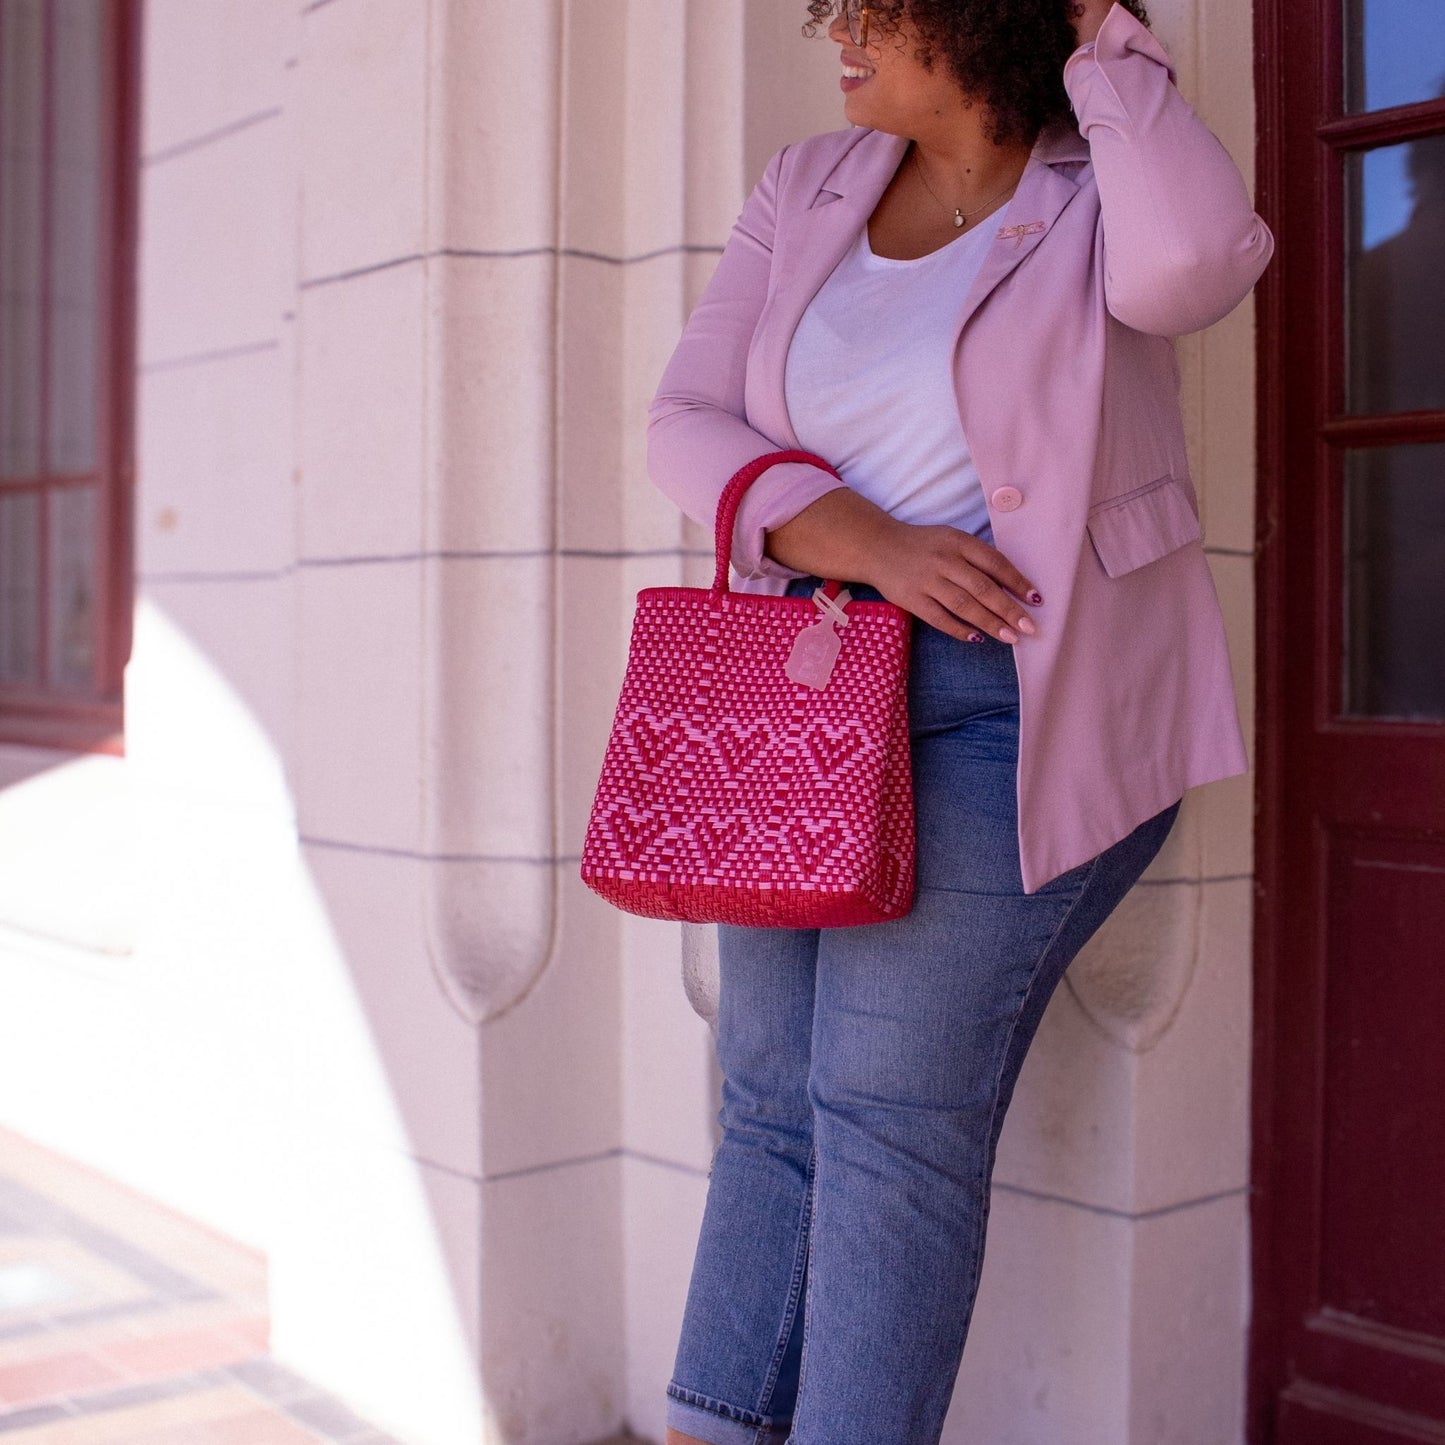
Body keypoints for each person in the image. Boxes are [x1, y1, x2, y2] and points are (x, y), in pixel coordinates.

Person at [645, 1, 1275, 1441]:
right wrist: (863, 536)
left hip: (1019, 704)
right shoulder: (803, 186)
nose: (840, 38)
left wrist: (1095, 32)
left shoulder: (1098, 188)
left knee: (883, 1118)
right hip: (803, 692)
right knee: (764, 1094)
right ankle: (710, 1426)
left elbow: (1189, 268)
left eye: (877, 9)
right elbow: (683, 420)